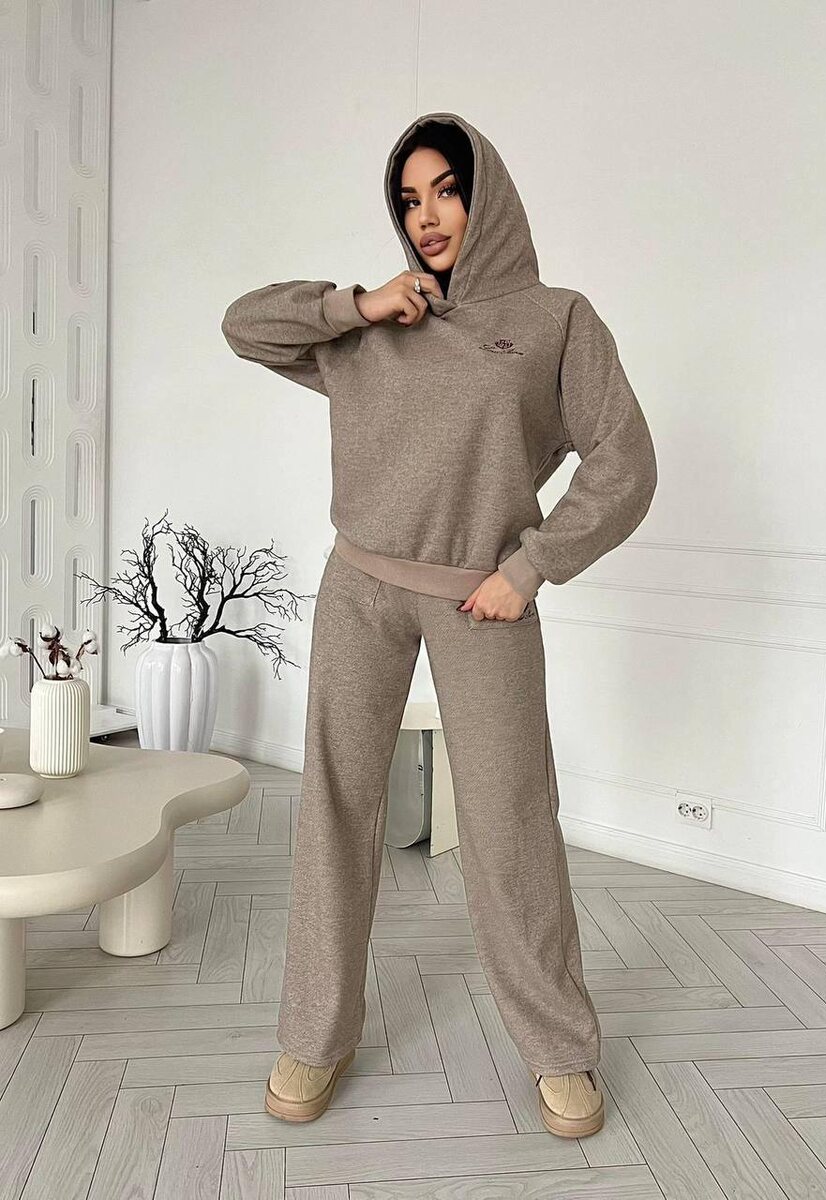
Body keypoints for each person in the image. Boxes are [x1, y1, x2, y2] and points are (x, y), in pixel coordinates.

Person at [221, 110, 658, 1140]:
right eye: (409, 199)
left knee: (511, 819)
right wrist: (355, 303)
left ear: (485, 194)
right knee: (335, 808)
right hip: (359, 587)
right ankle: (315, 1033)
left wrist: (530, 567)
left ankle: (558, 1048)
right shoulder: (372, 323)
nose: (427, 216)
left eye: (447, 191)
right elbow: (244, 326)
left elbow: (625, 462)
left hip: (481, 596)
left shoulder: (556, 320)